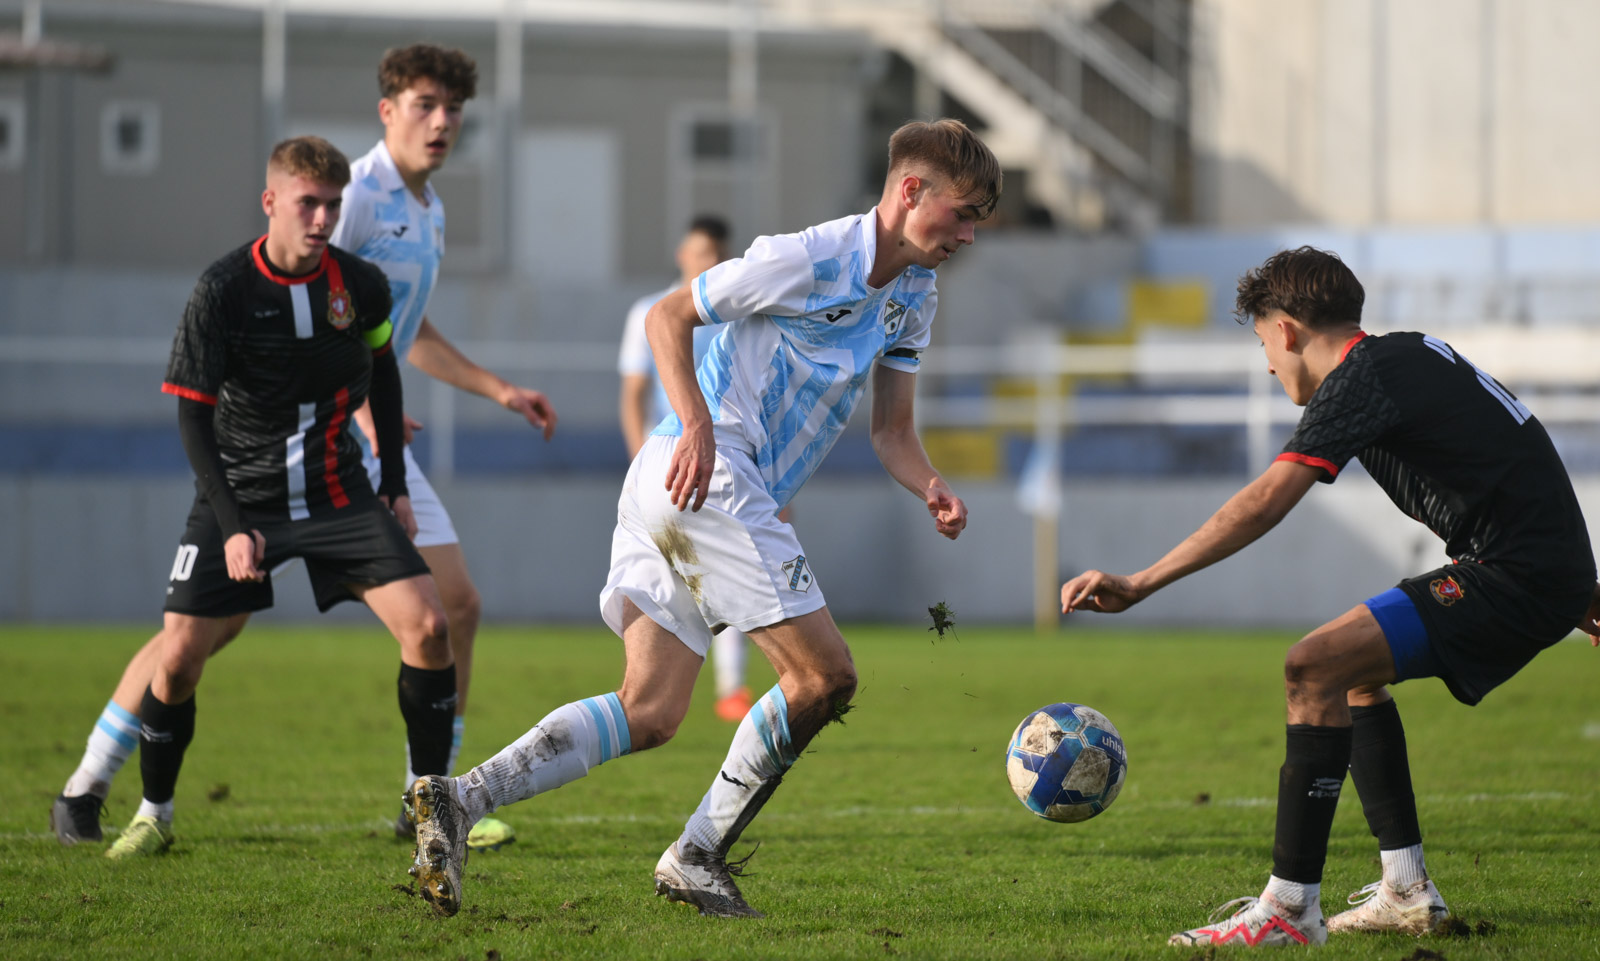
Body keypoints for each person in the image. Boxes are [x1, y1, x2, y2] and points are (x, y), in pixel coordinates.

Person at [401, 118, 1000, 918]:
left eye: (976, 222)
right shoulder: (806, 256)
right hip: (706, 474)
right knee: (825, 677)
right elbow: (666, 319)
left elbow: (890, 431)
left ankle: (459, 798)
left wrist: (929, 483)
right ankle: (696, 853)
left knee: (649, 710)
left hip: (681, 483)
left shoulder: (914, 294)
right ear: (909, 190)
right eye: (960, 213)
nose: (967, 234)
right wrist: (698, 422)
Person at [48, 44, 548, 854]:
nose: (443, 122)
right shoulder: (350, 196)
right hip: (313, 444)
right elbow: (303, 311)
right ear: (388, 110)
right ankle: (93, 781)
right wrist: (355, 421)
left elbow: (391, 335)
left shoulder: (429, 210)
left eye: (454, 109)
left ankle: (429, 800)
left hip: (360, 448)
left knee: (450, 608)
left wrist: (493, 390)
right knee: (196, 638)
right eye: (426, 104)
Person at [1059, 246, 1600, 947]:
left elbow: (1263, 503)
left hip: (1515, 572)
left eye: (1262, 343)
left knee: (1312, 666)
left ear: (1285, 329)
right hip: (1536, 568)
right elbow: (1511, 446)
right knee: (1353, 678)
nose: (1268, 363)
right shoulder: (1410, 355)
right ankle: (1405, 889)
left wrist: (1140, 582)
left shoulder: (1359, 378)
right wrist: (1575, 580)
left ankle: (1288, 907)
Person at [93, 136, 459, 859]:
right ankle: (154, 812)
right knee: (176, 658)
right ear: (271, 203)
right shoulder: (222, 290)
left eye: (332, 205)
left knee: (431, 627)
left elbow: (384, 373)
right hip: (244, 497)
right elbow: (193, 415)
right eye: (307, 204)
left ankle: (427, 808)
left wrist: (391, 481)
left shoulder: (360, 287)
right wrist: (230, 525)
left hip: (338, 493)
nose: (322, 219)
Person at [618, 214, 753, 722]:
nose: (708, 263)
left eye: (717, 255)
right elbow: (633, 395)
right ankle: (647, 687)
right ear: (682, 255)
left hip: (729, 466)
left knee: (736, 575)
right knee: (667, 582)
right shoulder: (648, 313)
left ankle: (731, 688)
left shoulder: (735, 316)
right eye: (700, 253)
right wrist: (641, 464)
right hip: (667, 466)